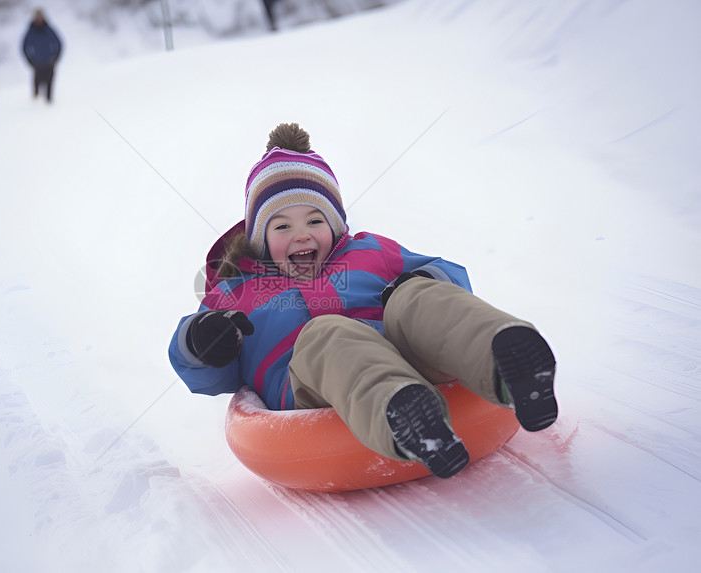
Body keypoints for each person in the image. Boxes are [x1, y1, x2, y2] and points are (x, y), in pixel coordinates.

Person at [169, 123, 558, 479]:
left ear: (336, 224)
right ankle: (406, 416)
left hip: (408, 354)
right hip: (311, 387)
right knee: (326, 334)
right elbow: (207, 375)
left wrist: (421, 280)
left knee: (415, 295)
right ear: (259, 237)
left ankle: (508, 367)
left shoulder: (370, 251)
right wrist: (204, 341)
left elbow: (449, 276)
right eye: (283, 226)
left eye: (315, 221)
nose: (301, 236)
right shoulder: (237, 291)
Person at [22, 9, 62, 102]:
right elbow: (24, 47)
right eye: (37, 18)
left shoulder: (49, 29)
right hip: (37, 64)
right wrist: (30, 60)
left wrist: (55, 57)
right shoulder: (30, 31)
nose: (39, 20)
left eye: (40, 17)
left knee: (49, 87)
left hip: (49, 63)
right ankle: (35, 107)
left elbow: (59, 44)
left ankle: (49, 105)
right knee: (36, 89)